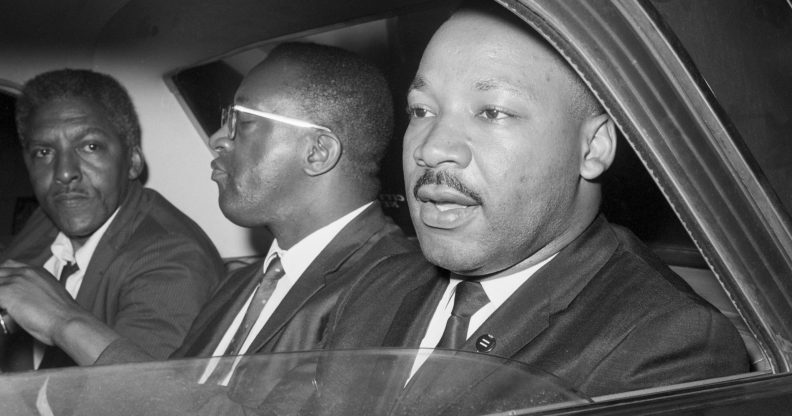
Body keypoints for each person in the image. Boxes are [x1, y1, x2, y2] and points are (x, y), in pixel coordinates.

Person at [311, 3, 749, 414]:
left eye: (493, 112)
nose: (432, 147)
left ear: (593, 146)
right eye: (422, 110)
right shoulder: (377, 286)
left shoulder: (668, 344)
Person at [0, 43, 415, 382]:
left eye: (241, 121)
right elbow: (172, 390)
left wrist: (63, 321)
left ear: (317, 151)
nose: (218, 139)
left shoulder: (393, 287)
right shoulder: (243, 286)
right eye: (223, 121)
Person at [0, 69, 224, 371]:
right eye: (44, 152)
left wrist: (61, 319)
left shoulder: (172, 259)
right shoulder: (52, 217)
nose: (64, 173)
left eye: (90, 146)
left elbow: (144, 398)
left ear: (132, 162)